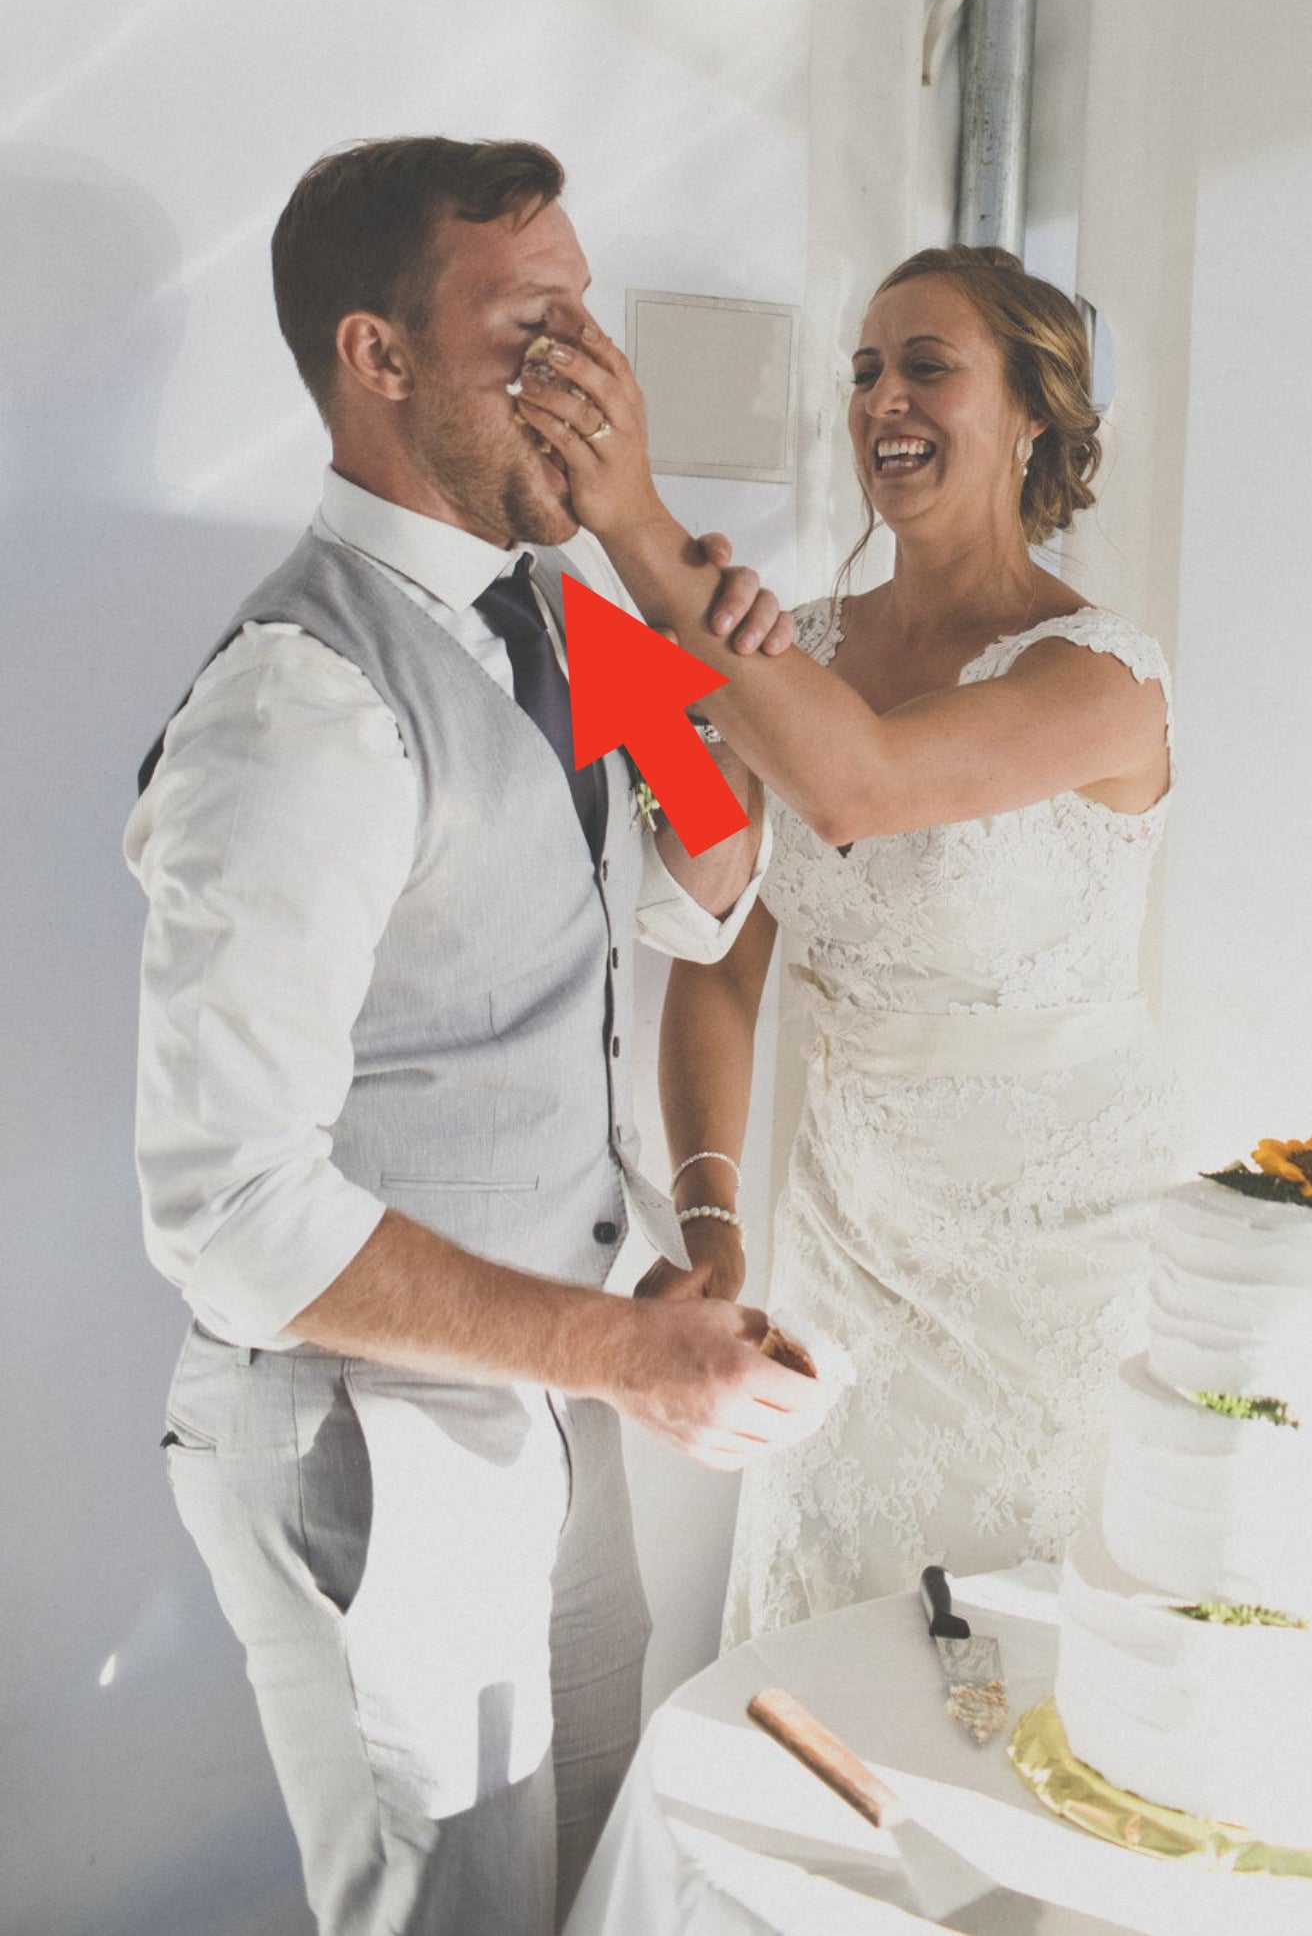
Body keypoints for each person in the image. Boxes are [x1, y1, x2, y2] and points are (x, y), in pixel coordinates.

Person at [126, 137, 836, 1936]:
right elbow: (229, 1215)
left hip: (556, 1397)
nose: (587, 368)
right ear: (376, 357)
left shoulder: (558, 612)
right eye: (533, 326)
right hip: (372, 1434)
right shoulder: (300, 707)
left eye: (587, 315)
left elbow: (709, 878)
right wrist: (623, 1348)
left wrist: (660, 578)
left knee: (598, 1880)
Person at [506, 244, 1186, 1646]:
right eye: (866, 367)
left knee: (1036, 1623)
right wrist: (709, 1218)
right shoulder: (790, 643)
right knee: (837, 1614)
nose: (884, 395)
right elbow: (720, 945)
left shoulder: (1104, 677)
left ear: (1031, 415)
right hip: (852, 1228)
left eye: (927, 364)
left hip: (1060, 1251)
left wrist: (637, 524)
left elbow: (859, 788)